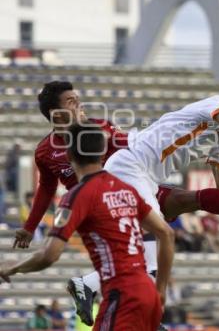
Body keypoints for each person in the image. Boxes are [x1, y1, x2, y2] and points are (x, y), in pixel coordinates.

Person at [12, 82, 219, 324]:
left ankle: (91, 287)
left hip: (145, 177)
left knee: (161, 237)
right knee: (161, 241)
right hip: (130, 166)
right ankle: (144, 305)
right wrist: (30, 225)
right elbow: (47, 187)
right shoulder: (217, 105)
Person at [0, 123, 175, 331]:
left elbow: (50, 255)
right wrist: (161, 289)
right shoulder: (125, 189)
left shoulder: (75, 197)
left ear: (69, 155)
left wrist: (13, 268)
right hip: (148, 291)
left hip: (121, 294)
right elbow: (166, 233)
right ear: (103, 152)